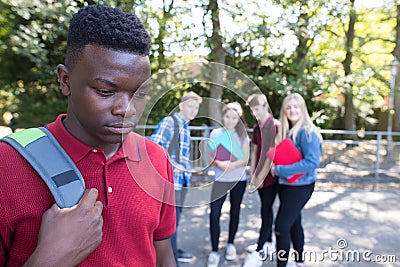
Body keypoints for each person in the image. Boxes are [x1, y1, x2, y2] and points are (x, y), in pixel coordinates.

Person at [0, 4, 176, 266]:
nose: (126, 110)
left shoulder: (157, 159)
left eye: (140, 94)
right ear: (65, 80)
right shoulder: (7, 163)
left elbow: (163, 256)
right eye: (105, 91)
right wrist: (50, 258)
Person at [150, 91, 203, 265]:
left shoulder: (185, 127)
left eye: (196, 107)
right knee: (167, 225)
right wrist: (173, 166)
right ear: (181, 105)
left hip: (181, 184)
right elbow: (153, 149)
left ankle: (173, 252)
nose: (194, 110)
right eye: (191, 106)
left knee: (173, 223)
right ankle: (170, 261)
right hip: (169, 185)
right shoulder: (169, 123)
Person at [271, 93, 323, 267]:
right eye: (288, 107)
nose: (292, 110)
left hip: (300, 187)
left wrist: (279, 169)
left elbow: (312, 162)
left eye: (296, 106)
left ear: (303, 109)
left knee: (281, 227)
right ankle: (299, 262)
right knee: (294, 223)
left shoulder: (307, 132)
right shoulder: (288, 130)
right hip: (287, 184)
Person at [207, 102, 250, 267]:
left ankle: (231, 243)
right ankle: (214, 251)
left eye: (234, 117)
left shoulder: (242, 135)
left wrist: (231, 165)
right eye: (228, 117)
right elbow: (210, 157)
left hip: (238, 180)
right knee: (214, 214)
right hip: (220, 179)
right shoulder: (215, 133)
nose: (231, 120)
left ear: (238, 119)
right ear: (223, 116)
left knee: (235, 211)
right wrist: (219, 163)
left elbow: (245, 158)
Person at [243, 94, 279, 267]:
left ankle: (259, 251)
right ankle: (269, 243)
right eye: (252, 110)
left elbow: (272, 155)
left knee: (266, 211)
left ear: (265, 106)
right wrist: (253, 173)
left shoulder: (275, 126)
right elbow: (256, 151)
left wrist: (262, 177)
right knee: (265, 209)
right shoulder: (257, 128)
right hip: (259, 176)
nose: (255, 113)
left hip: (272, 177)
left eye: (257, 109)